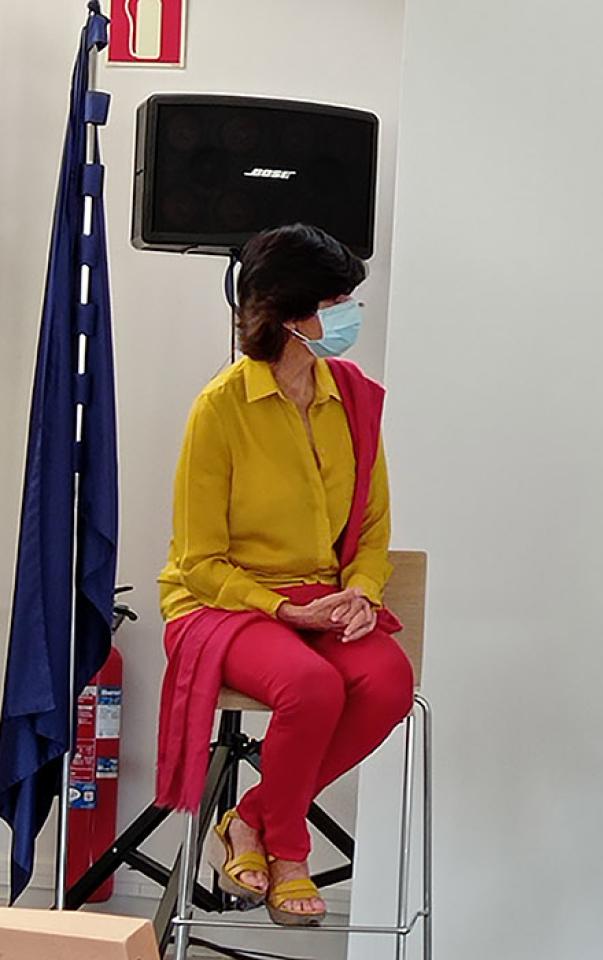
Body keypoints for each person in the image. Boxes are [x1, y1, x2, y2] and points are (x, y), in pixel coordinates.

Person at [154, 224, 414, 927]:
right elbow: (199, 562)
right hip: (225, 602)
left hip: (323, 595)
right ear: (290, 314)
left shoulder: (354, 397)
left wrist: (361, 590)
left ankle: (252, 819)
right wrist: (281, 610)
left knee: (389, 681)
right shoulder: (221, 410)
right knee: (311, 684)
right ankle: (290, 852)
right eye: (336, 300)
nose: (350, 313)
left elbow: (371, 528)